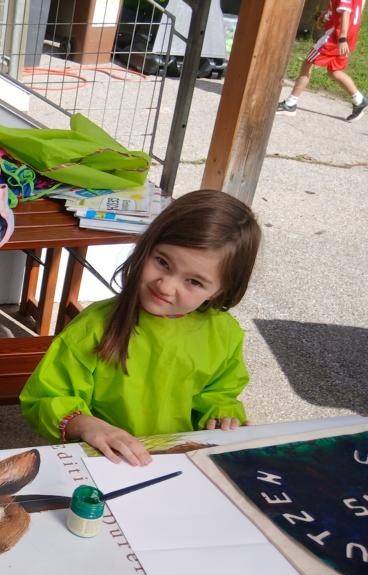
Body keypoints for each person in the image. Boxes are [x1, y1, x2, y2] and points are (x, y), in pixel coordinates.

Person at [19, 189, 261, 466]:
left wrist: (222, 414)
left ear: (221, 290)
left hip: (181, 459)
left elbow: (219, 392)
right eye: (162, 262)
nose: (166, 286)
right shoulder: (94, 326)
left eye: (194, 282)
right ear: (146, 246)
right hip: (107, 460)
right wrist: (85, 424)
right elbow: (46, 397)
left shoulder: (225, 333)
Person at [277, 0, 366, 121]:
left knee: (308, 63)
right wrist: (327, 14)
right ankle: (359, 100)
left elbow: (346, 10)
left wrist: (342, 37)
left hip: (337, 35)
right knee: (334, 71)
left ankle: (290, 104)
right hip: (349, 34)